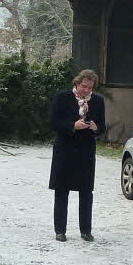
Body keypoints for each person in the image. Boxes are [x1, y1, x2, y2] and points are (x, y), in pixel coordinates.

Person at [49, 69, 106, 242]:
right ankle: (60, 230)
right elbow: (53, 122)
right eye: (84, 86)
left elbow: (103, 126)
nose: (86, 90)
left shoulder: (97, 101)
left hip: (86, 151)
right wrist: (73, 125)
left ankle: (86, 231)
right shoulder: (62, 97)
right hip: (65, 149)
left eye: (90, 88)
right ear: (76, 83)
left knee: (86, 192)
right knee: (62, 190)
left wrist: (95, 127)